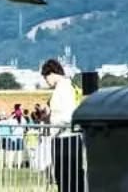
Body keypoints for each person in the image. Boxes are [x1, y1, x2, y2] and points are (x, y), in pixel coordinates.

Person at [42, 58, 85, 192]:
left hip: (66, 138)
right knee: (65, 178)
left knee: (67, 178)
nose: (46, 81)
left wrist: (52, 120)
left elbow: (68, 115)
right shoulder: (64, 87)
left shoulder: (64, 88)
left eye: (45, 78)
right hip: (64, 137)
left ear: (51, 73)